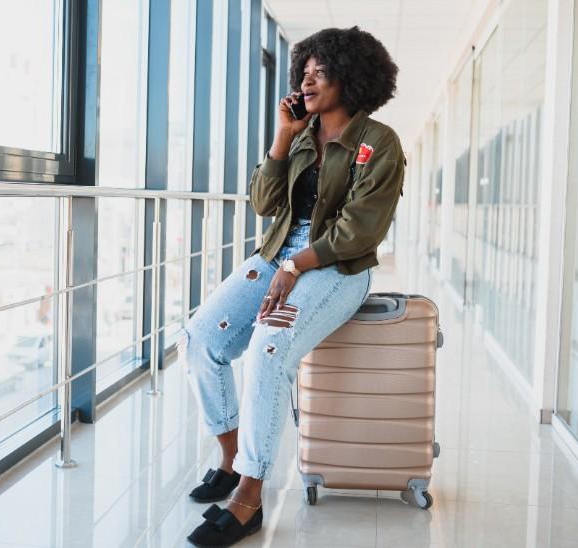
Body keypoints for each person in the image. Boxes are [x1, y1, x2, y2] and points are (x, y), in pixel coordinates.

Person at [182, 26, 404, 547]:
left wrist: (298, 265)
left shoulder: (379, 142)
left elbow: (361, 229)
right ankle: (233, 461)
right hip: (278, 252)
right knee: (199, 338)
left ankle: (249, 497)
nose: (306, 80)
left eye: (319, 71)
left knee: (270, 346)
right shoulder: (302, 136)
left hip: (336, 264)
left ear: (349, 78)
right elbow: (264, 204)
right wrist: (282, 137)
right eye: (303, 70)